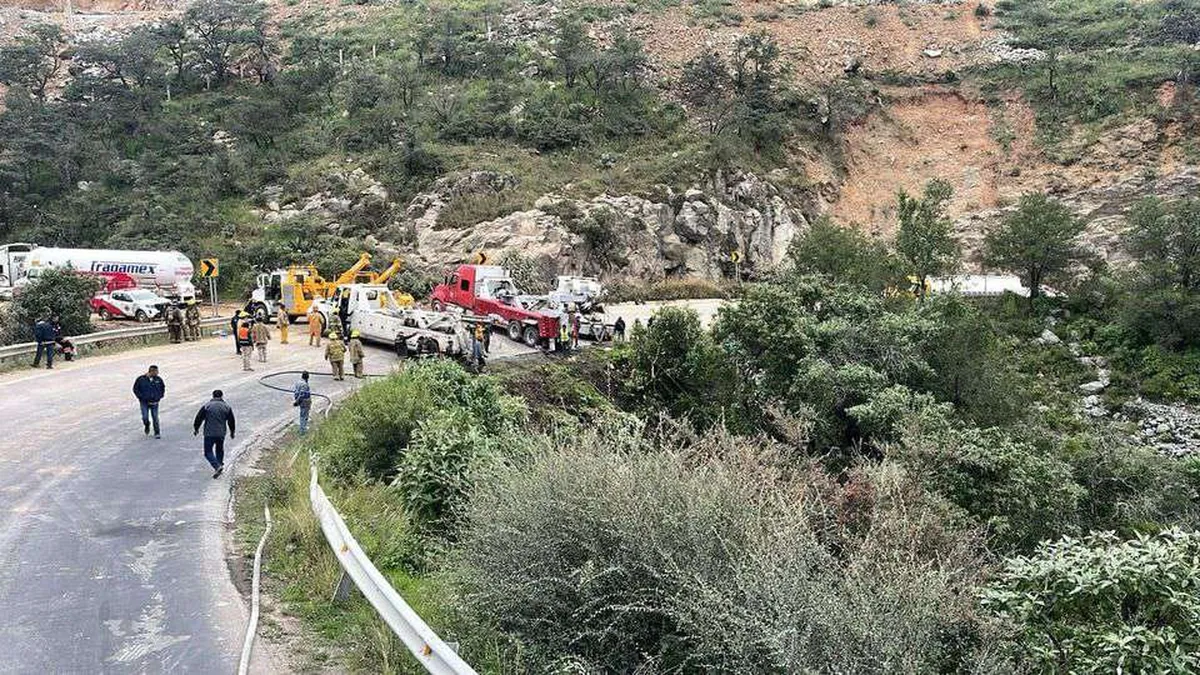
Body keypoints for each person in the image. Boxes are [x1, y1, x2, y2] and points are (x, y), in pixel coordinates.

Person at [193, 390, 235, 479]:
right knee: (219, 449)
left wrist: (196, 429)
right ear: (222, 396)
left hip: (209, 433)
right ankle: (219, 464)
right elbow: (231, 421)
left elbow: (199, 418)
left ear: (213, 396)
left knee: (208, 452)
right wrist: (232, 432)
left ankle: (216, 466)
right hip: (221, 433)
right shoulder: (226, 407)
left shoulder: (207, 406)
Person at [132, 365, 166, 438]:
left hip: (155, 402)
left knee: (155, 418)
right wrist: (141, 397)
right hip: (144, 402)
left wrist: (160, 396)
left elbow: (162, 388)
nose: (157, 373)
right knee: (145, 417)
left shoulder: (159, 380)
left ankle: (157, 432)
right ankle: (147, 424)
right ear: (151, 371)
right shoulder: (141, 379)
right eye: (156, 371)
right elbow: (135, 389)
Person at [293, 371, 312, 436]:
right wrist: (297, 402)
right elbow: (302, 394)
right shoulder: (304, 384)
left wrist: (296, 400)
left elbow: (295, 392)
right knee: (304, 416)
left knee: (302, 414)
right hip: (305, 401)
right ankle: (303, 430)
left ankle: (303, 428)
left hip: (301, 402)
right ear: (308, 377)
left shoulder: (298, 382)